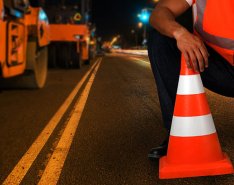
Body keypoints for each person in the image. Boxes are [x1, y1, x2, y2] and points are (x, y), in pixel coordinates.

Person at [147, 0, 234, 159]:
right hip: (219, 68)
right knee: (160, 35)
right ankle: (178, 133)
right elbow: (160, 13)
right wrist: (180, 33)